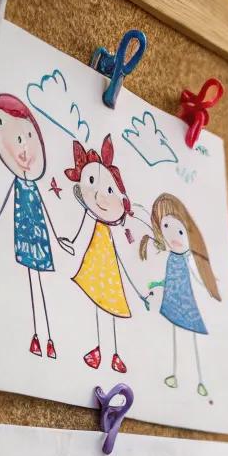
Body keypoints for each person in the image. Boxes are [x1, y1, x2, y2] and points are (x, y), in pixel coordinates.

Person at [0, 94, 73, 358]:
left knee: (40, 284)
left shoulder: (33, 188)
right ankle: (37, 336)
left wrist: (57, 239)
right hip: (24, 236)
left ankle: (48, 340)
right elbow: (4, 203)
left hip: (39, 237)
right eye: (16, 141)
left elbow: (46, 212)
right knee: (32, 282)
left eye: (26, 139)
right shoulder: (19, 184)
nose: (22, 149)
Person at [64, 136, 147, 374]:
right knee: (99, 308)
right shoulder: (93, 219)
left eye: (109, 189)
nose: (101, 196)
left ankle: (113, 353)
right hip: (96, 265)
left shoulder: (115, 229)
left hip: (108, 269)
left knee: (108, 308)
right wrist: (70, 242)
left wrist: (138, 289)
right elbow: (81, 232)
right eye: (92, 182)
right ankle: (102, 350)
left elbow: (123, 253)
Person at [139, 193, 221, 395]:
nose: (173, 235)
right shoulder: (170, 258)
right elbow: (169, 278)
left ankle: (200, 380)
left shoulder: (188, 258)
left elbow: (197, 275)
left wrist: (209, 284)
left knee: (191, 339)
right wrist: (158, 284)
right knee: (176, 336)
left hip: (187, 303)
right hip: (173, 302)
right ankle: (175, 375)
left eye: (180, 230)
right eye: (165, 226)